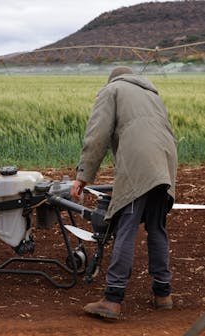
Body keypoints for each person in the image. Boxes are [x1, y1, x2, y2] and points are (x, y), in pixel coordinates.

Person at [71, 66, 177, 320]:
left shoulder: (112, 90)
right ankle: (163, 294)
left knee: (126, 226)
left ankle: (113, 299)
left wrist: (83, 176)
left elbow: (97, 135)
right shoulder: (152, 94)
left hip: (139, 163)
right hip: (166, 161)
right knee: (156, 226)